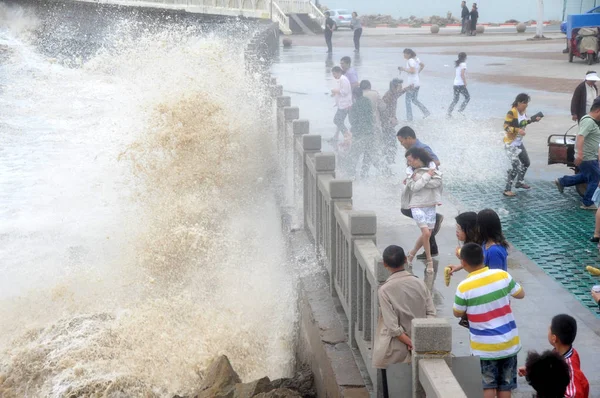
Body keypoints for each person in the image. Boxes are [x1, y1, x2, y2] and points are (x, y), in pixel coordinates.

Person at [453, 243, 525, 398]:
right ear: (483, 257)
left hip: (484, 347)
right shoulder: (502, 275)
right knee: (505, 386)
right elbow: (520, 294)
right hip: (508, 343)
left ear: (463, 263)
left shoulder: (464, 287)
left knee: (488, 386)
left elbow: (457, 312)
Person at [372, 245, 436, 398]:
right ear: (406, 260)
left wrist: (409, 342)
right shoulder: (420, 283)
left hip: (393, 350)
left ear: (385, 264)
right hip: (420, 346)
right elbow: (431, 314)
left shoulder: (385, 290)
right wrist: (417, 341)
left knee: (392, 391)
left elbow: (393, 327)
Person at [397, 126, 444, 259]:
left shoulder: (422, 148)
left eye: (402, 141)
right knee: (425, 224)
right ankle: (432, 249)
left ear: (409, 138)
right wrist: (412, 175)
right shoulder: (412, 150)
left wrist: (422, 175)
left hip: (424, 187)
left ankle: (436, 219)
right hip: (420, 184)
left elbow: (436, 162)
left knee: (408, 211)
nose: (401, 145)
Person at [518, 314, 590, 398]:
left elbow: (573, 394)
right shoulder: (566, 352)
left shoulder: (570, 368)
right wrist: (533, 370)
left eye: (550, 329)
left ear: (554, 338)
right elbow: (550, 371)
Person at [555, 97, 600, 210]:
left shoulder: (592, 121)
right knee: (596, 178)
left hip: (590, 156)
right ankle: (587, 203)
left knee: (586, 176)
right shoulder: (588, 121)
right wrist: (580, 154)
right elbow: (580, 136)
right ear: (598, 110)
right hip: (587, 157)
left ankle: (562, 181)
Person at [404, 147, 443, 273]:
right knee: (426, 233)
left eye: (411, 160)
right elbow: (415, 188)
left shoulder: (432, 168)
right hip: (416, 205)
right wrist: (426, 176)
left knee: (428, 233)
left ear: (418, 158)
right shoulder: (410, 173)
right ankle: (429, 260)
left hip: (431, 205)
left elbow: (437, 183)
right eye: (408, 161)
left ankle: (411, 254)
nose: (409, 163)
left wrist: (421, 179)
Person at [503, 93, 542, 197]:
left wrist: (533, 119)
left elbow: (523, 123)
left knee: (526, 163)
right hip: (510, 144)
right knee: (515, 166)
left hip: (519, 143)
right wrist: (517, 130)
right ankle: (507, 190)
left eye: (527, 103)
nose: (526, 105)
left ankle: (519, 182)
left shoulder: (523, 112)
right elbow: (506, 127)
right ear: (519, 102)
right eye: (524, 103)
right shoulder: (512, 112)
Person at [448, 209, 509, 274]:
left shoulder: (494, 251)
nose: (475, 228)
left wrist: (464, 262)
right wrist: (460, 265)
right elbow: (478, 262)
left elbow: (495, 278)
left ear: (483, 228)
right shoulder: (485, 243)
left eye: (477, 225)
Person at [347, 87, 375, 178]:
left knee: (354, 156)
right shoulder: (367, 101)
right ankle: (364, 175)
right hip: (370, 133)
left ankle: (352, 176)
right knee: (367, 156)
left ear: (354, 95)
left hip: (359, 135)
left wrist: (349, 111)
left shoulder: (354, 106)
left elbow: (353, 121)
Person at [360, 80, 386, 172]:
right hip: (375, 125)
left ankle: (365, 170)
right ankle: (383, 170)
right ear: (369, 86)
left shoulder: (359, 95)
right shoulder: (375, 94)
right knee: (375, 148)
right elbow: (383, 107)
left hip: (363, 128)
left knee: (368, 148)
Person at [398, 48, 430, 122]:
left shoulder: (410, 61)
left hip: (412, 84)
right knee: (414, 100)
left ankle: (409, 119)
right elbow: (422, 65)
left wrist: (403, 69)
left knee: (407, 101)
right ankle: (426, 112)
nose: (404, 55)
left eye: (405, 54)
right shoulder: (416, 59)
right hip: (417, 83)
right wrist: (417, 73)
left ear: (409, 54)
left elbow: (412, 71)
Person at [381, 78, 406, 165]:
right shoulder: (388, 96)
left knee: (391, 145)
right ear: (395, 87)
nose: (401, 87)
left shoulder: (393, 93)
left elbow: (400, 93)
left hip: (389, 125)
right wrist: (390, 118)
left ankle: (387, 164)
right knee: (390, 145)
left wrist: (408, 88)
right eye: (400, 86)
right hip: (386, 125)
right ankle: (386, 165)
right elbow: (382, 109)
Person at [330, 66, 352, 143]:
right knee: (339, 121)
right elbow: (340, 91)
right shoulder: (340, 79)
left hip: (345, 104)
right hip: (342, 104)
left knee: (337, 120)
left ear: (339, 72)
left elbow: (345, 92)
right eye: (333, 74)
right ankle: (342, 136)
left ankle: (347, 135)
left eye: (334, 74)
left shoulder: (343, 79)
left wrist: (335, 90)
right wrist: (334, 93)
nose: (334, 76)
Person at [447, 52, 470, 117]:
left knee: (456, 99)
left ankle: (449, 112)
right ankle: (460, 110)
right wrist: (465, 82)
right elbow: (462, 74)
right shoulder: (463, 64)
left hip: (455, 84)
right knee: (467, 97)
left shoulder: (458, 64)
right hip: (461, 84)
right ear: (465, 57)